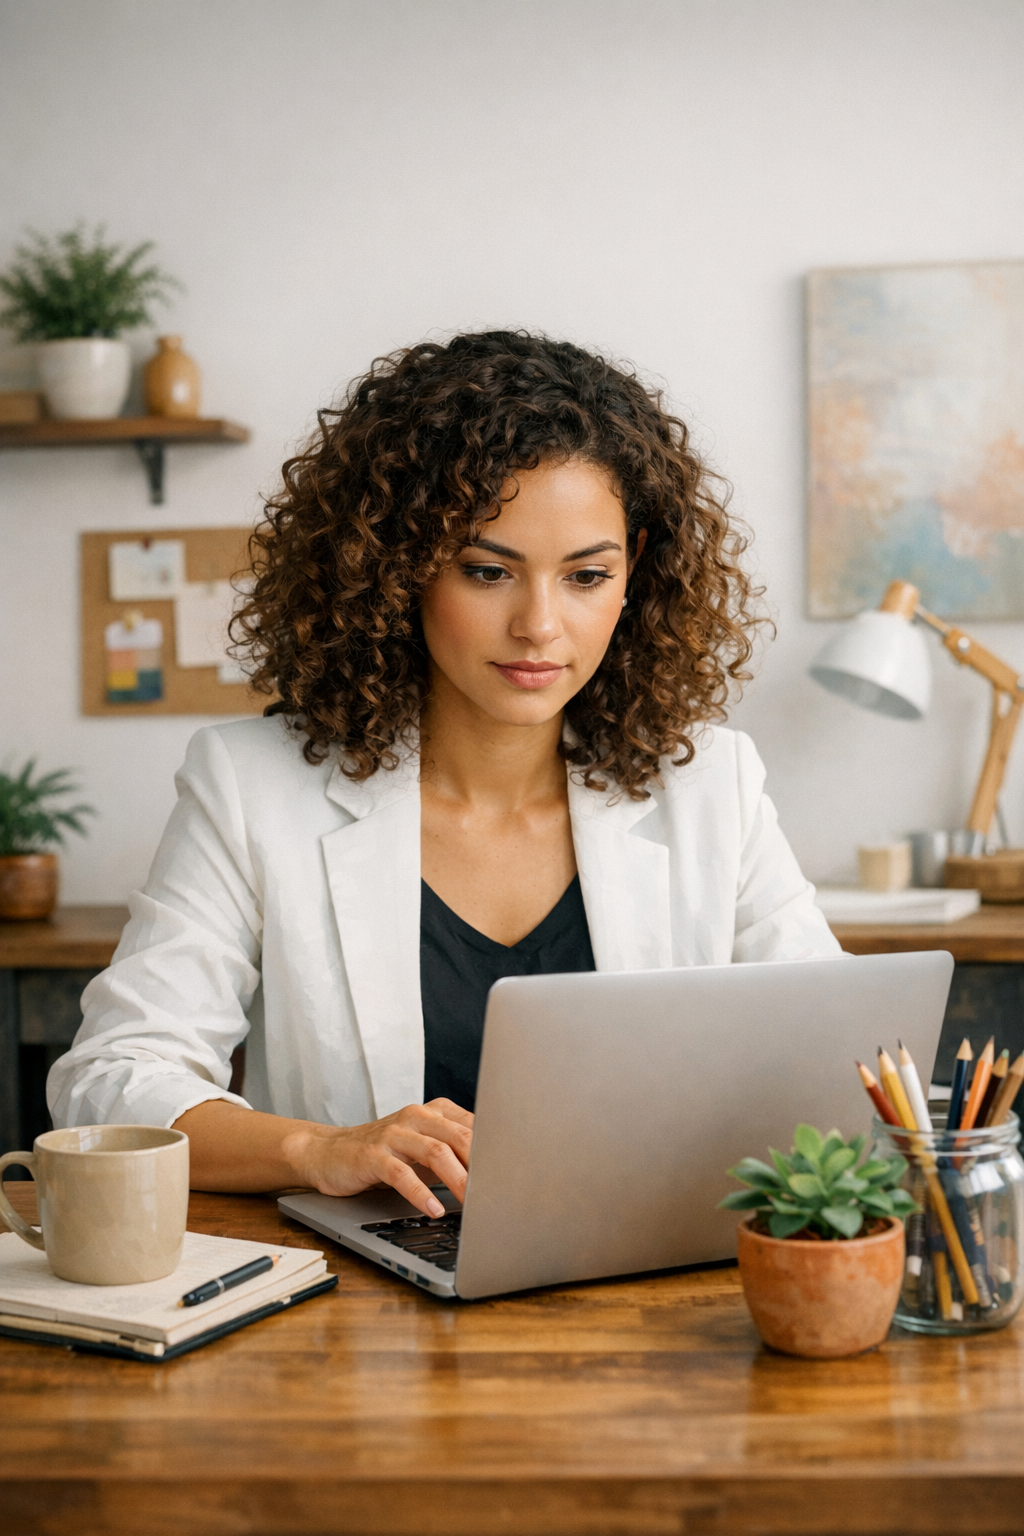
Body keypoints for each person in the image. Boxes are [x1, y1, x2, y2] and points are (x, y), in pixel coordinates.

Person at [49, 331, 839, 1216]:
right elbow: (112, 1079)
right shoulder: (249, 785)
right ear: (399, 566)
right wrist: (321, 1149)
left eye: (586, 575)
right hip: (360, 1310)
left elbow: (831, 1066)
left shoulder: (712, 786)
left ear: (634, 575)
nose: (540, 625)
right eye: (488, 571)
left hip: (649, 1289)